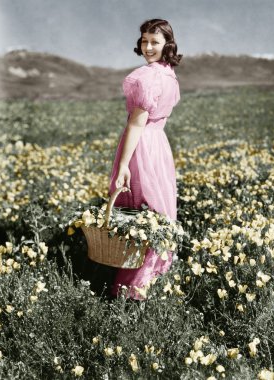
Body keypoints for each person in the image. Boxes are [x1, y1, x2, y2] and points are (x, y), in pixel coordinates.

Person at [108, 18, 182, 300]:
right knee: (157, 214)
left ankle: (131, 290)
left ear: (167, 44)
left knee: (140, 213)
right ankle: (153, 281)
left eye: (155, 41)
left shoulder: (148, 77)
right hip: (159, 147)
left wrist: (124, 165)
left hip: (142, 147)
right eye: (144, 41)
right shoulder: (169, 75)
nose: (148, 47)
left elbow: (137, 125)